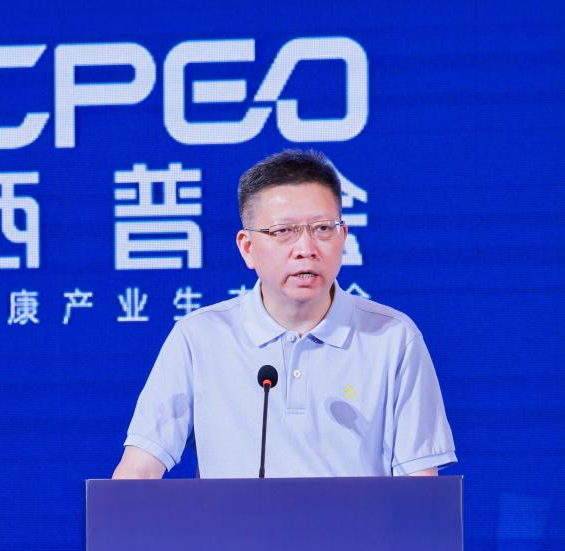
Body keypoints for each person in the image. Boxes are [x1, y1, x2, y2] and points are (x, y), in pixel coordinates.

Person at [113, 149, 457, 479]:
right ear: (247, 248)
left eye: (323, 229)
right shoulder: (199, 337)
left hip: (360, 525)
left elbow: (420, 483)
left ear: (343, 237)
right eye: (283, 232)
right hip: (232, 525)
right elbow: (139, 469)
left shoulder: (392, 337)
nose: (306, 249)